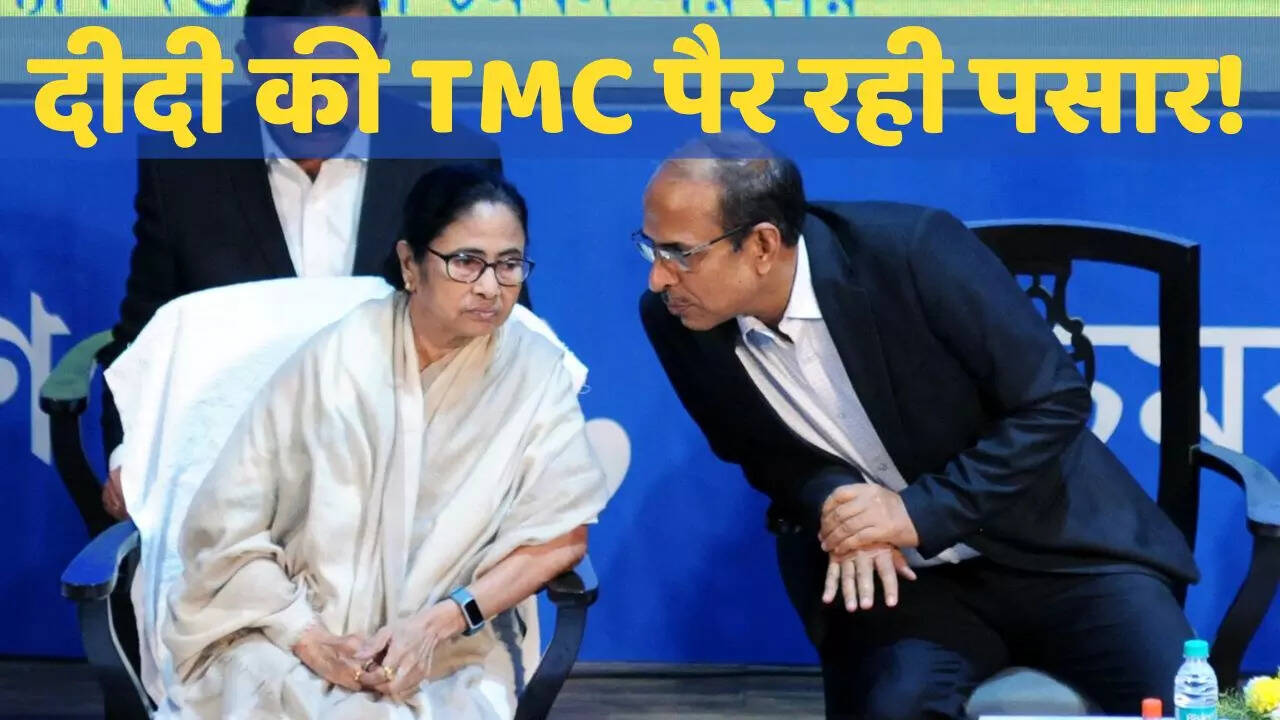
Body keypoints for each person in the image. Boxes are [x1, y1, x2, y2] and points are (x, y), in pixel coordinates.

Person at [635, 135, 1199, 719]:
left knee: (1190, 702)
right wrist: (842, 505)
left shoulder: (910, 251)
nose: (658, 278)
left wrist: (916, 512)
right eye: (649, 248)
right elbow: (762, 454)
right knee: (895, 707)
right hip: (906, 584)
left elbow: (1053, 401)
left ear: (761, 245)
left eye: (679, 253)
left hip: (1058, 548)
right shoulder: (678, 322)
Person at [162, 165, 606, 718]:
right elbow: (225, 530)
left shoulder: (534, 372)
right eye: (467, 262)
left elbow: (561, 537)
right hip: (293, 632)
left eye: (509, 264)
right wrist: (311, 639)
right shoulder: (337, 358)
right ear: (409, 264)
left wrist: (438, 623)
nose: (491, 287)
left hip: (449, 649)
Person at [96, 0, 511, 523]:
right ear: (249, 62)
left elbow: (500, 334)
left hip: (415, 486)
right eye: (288, 78)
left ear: (378, 56)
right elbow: (146, 343)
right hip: (237, 485)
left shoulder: (453, 160)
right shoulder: (186, 166)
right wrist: (128, 459)